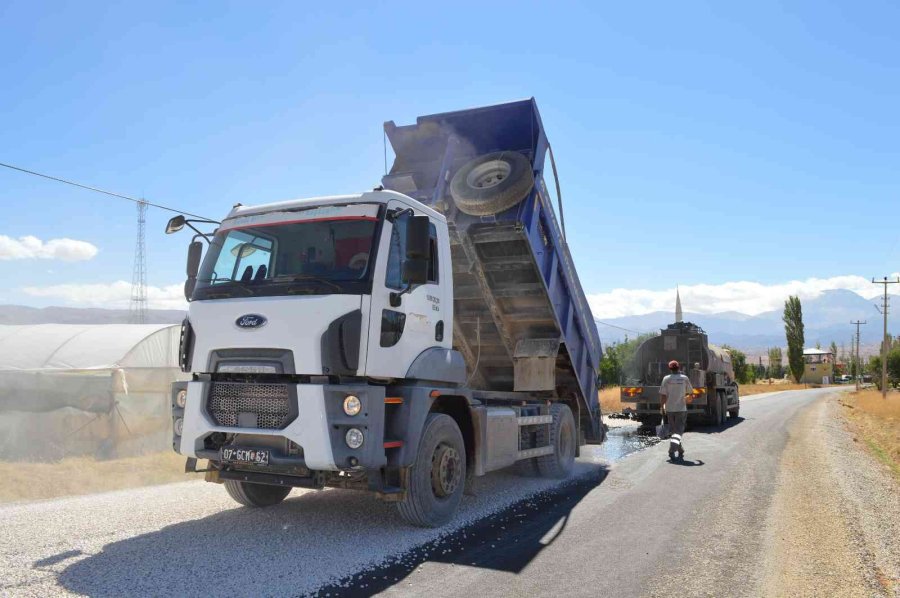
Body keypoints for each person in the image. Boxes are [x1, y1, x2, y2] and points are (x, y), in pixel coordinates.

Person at [659, 360, 693, 461]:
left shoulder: (666, 379)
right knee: (678, 431)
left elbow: (663, 395)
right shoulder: (684, 378)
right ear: (679, 367)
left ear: (670, 368)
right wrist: (687, 398)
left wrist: (661, 407)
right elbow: (691, 392)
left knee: (674, 430)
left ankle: (680, 448)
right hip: (681, 408)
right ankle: (672, 450)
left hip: (670, 409)